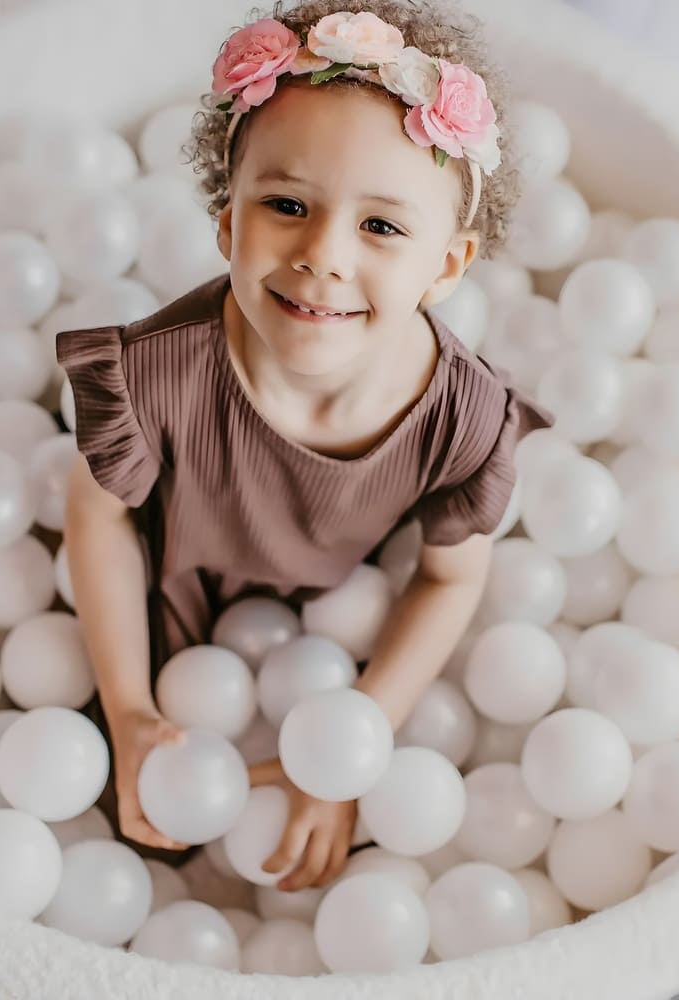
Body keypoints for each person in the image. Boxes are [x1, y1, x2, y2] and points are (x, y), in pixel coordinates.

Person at [57, 0, 552, 893]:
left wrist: (359, 737)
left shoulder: (462, 420)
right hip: (179, 605)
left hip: (341, 633)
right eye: (286, 205)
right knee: (122, 817)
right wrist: (131, 710)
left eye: (382, 227)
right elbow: (98, 520)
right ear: (226, 224)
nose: (323, 254)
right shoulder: (157, 378)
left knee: (344, 858)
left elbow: (448, 577)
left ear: (447, 265)